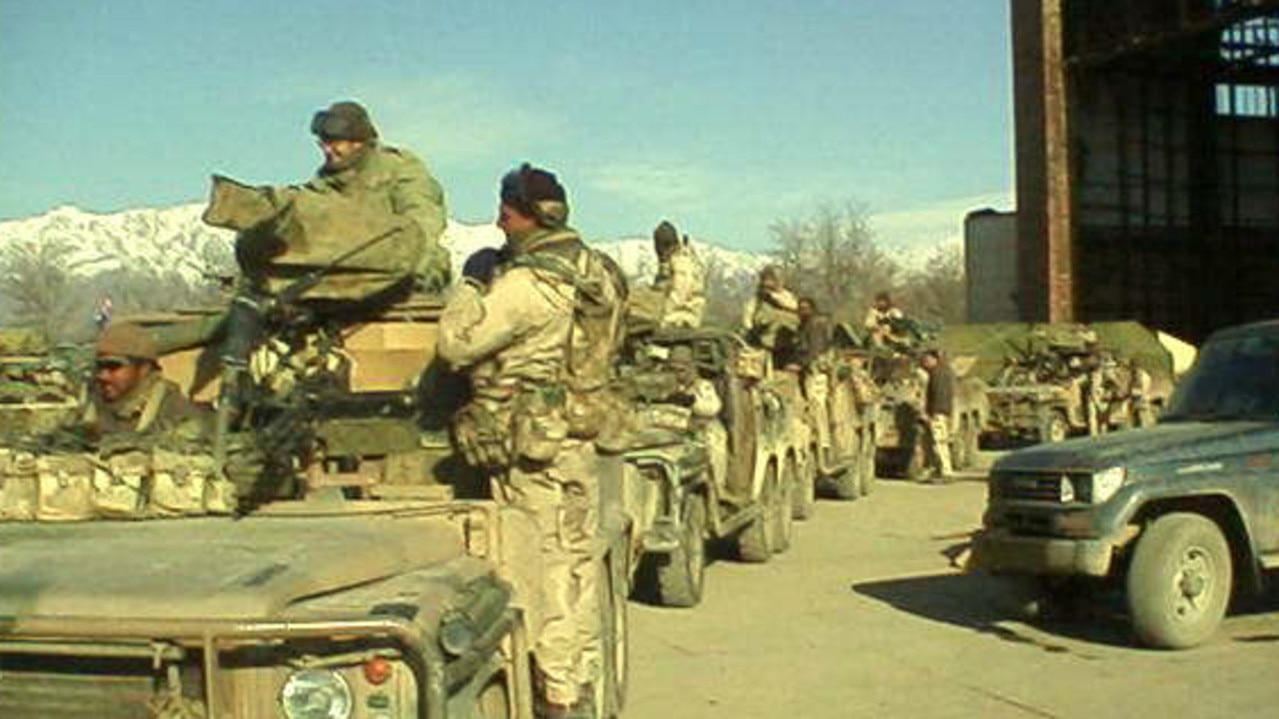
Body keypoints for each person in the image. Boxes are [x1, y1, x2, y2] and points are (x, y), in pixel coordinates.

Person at [438, 164, 606, 718]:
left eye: (505, 213)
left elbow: (457, 348)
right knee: (579, 561)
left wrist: (467, 285)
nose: (498, 222)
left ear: (526, 216)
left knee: (542, 567)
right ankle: (579, 680)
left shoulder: (528, 285)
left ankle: (554, 693)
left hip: (532, 447)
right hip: (579, 435)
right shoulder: (598, 273)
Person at [80, 322, 207, 439]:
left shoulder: (174, 413)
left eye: (114, 366)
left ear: (144, 369)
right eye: (100, 366)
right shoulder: (90, 402)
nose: (103, 376)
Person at [651, 220, 706, 328]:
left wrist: (659, 314)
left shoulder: (682, 263)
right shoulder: (671, 262)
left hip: (681, 319)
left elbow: (680, 293)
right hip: (672, 318)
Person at [742, 265, 800, 365]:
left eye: (773, 279)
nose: (769, 283)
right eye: (766, 279)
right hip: (763, 340)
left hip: (787, 341)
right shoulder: (758, 300)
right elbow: (748, 317)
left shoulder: (788, 296)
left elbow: (794, 308)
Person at [919, 348, 955, 482]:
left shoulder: (937, 374)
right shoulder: (946, 371)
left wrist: (932, 413)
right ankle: (941, 470)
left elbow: (938, 394)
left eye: (927, 360)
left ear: (934, 359)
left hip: (938, 412)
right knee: (940, 441)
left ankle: (946, 472)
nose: (924, 363)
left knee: (938, 442)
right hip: (943, 411)